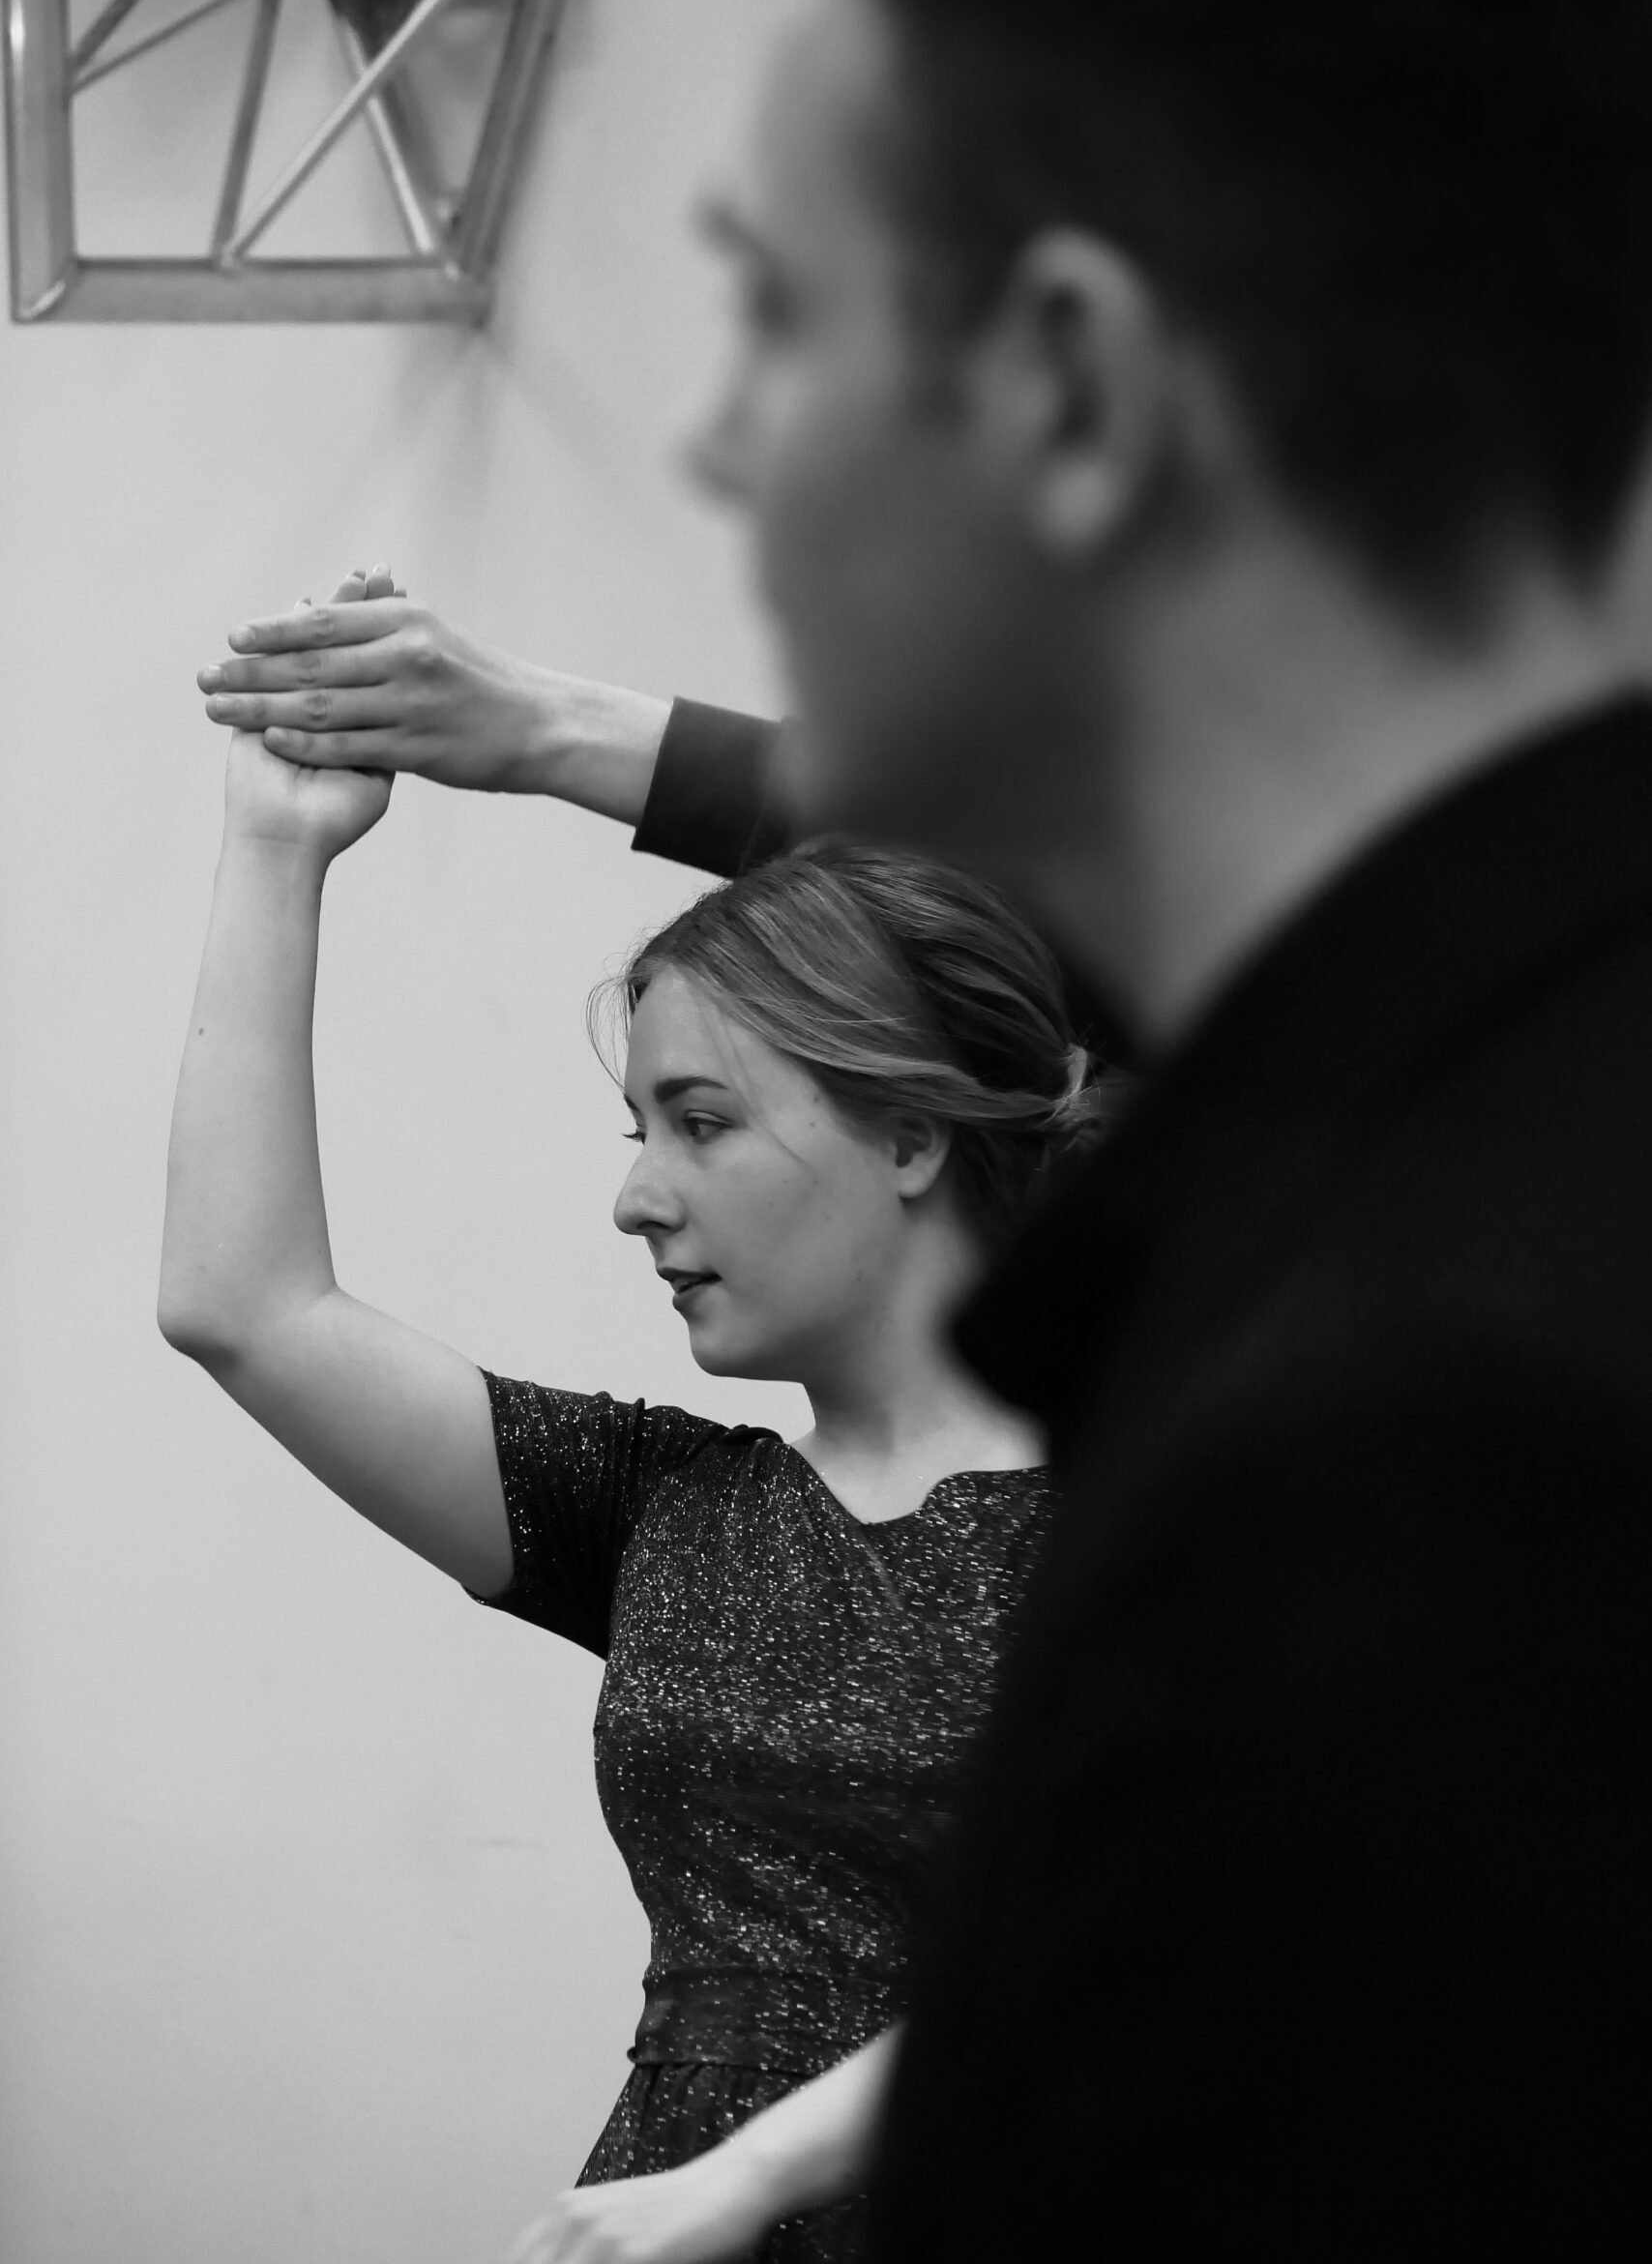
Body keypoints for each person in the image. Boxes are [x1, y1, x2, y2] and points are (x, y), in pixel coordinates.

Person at [203, 0, 1652, 2254]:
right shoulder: (1399, 1151)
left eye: (773, 315)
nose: (716, 440)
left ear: (1066, 383)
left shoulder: (1437, 1392)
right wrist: (540, 736)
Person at [157, 698, 1106, 2264]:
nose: (635, 1198)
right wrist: (277, 843)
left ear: (912, 1135)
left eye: (702, 1123)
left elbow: (1137, 1961)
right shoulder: (673, 1510)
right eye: (638, 1128)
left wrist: (541, 728)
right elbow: (244, 1308)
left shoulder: (1160, 1518)